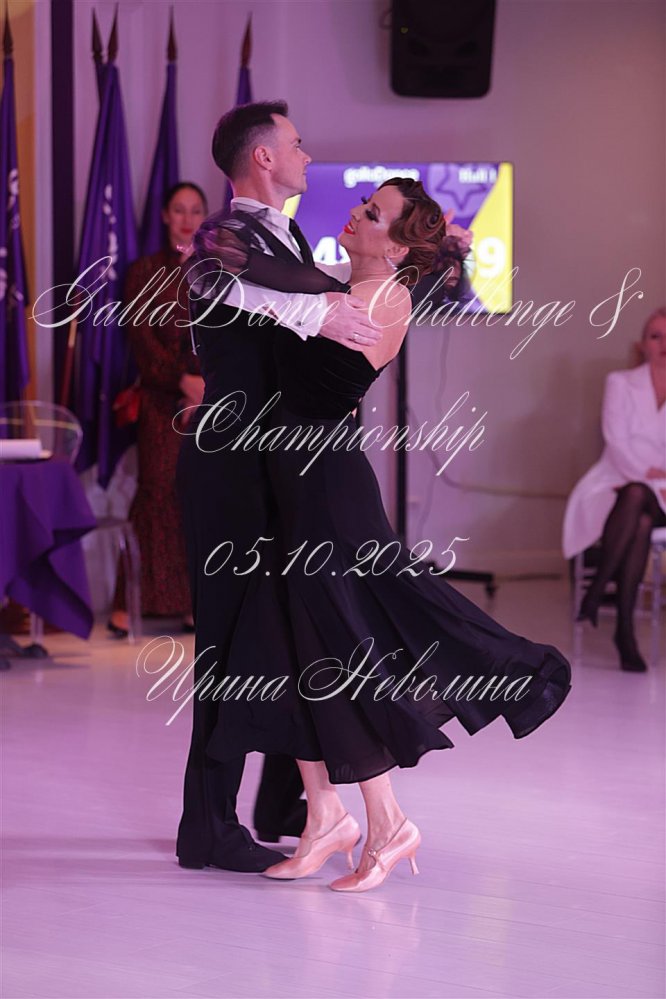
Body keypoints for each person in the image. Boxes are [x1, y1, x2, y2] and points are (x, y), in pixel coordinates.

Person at [198, 176, 573, 892]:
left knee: (337, 651)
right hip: (293, 489)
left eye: (372, 212)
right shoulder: (350, 283)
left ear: (398, 245)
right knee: (282, 650)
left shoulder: (380, 299)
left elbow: (277, 294)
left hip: (327, 496)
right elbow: (280, 283)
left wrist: (254, 274)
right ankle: (326, 816)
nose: (355, 213)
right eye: (363, 204)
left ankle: (386, 821)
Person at [175, 101, 381, 872]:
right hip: (229, 469)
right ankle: (207, 825)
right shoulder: (219, 240)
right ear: (263, 157)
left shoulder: (285, 240)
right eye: (295, 142)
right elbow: (254, 293)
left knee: (287, 635)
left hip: (277, 467)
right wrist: (328, 309)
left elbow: (320, 294)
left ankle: (285, 804)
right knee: (230, 645)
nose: (306, 153)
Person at [109, 183, 208, 639]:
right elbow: (142, 342)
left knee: (202, 497)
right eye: (179, 210)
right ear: (166, 215)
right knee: (157, 492)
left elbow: (229, 333)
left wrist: (204, 385)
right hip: (160, 400)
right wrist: (181, 381)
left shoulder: (217, 271)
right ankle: (128, 605)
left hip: (212, 401)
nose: (187, 219)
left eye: (195, 211)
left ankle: (193, 605)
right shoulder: (145, 271)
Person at [563, 307, 666, 671]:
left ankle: (597, 591)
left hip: (663, 492)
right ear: (642, 344)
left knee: (638, 498)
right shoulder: (620, 383)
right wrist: (648, 475)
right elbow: (616, 442)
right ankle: (624, 632)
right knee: (637, 508)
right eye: (656, 336)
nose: (664, 344)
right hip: (615, 481)